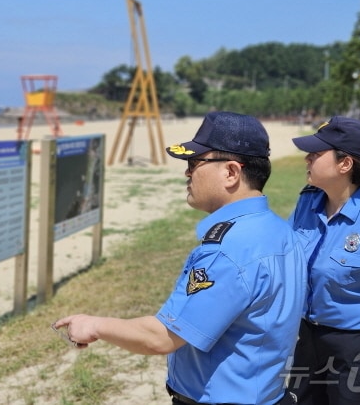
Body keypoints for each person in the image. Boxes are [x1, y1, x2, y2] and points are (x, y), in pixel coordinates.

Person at [54, 111, 306, 405]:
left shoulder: (227, 249)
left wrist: (93, 325)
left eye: (195, 163)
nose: (187, 173)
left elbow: (162, 337)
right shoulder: (280, 230)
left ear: (231, 173)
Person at [286, 116, 360, 405]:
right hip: (307, 338)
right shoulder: (307, 202)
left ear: (345, 164)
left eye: (316, 154)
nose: (307, 158)